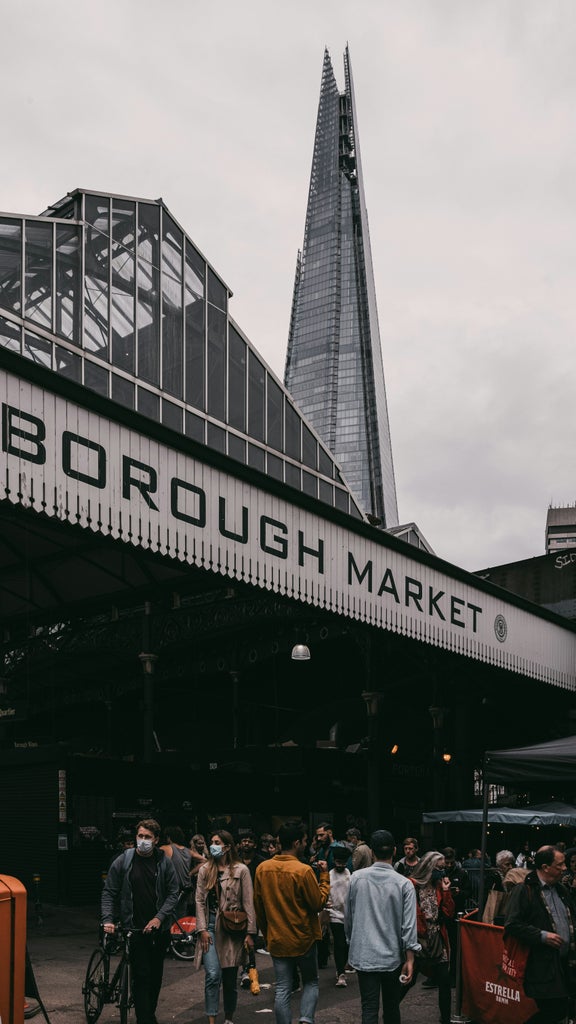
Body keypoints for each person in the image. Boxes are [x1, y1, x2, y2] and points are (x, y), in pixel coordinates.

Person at [101, 818, 179, 1024]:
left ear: (156, 840)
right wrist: (108, 919)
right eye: (140, 836)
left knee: (155, 978)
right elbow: (109, 892)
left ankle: (148, 1014)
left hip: (158, 930)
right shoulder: (123, 861)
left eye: (148, 837)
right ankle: (145, 1019)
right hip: (133, 929)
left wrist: (159, 918)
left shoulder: (164, 862)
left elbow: (173, 893)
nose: (143, 840)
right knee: (142, 976)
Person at [253, 818, 330, 1024]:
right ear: (296, 843)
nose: (306, 844)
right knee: (311, 982)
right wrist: (324, 877)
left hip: (277, 938)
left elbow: (258, 908)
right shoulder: (303, 871)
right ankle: (305, 1019)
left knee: (283, 988)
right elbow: (317, 904)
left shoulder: (262, 869)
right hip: (303, 938)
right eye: (304, 841)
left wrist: (267, 934)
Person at [345, 828, 420, 1024]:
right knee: (392, 1007)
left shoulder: (355, 878)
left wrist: (351, 943)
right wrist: (410, 958)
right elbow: (409, 925)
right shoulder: (404, 884)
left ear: (371, 852)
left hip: (364, 954)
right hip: (392, 956)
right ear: (395, 851)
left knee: (369, 1008)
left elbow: (349, 918)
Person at [504, 845, 576, 1024]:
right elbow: (512, 924)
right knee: (555, 1010)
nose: (565, 868)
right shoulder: (524, 890)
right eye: (560, 865)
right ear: (545, 867)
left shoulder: (561, 890)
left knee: (563, 1008)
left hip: (564, 964)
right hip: (541, 966)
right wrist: (543, 936)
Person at [195, 830, 256, 1024]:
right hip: (211, 926)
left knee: (230, 979)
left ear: (227, 847)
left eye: (217, 842)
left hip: (233, 929)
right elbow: (199, 901)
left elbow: (248, 902)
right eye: (211, 842)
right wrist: (202, 929)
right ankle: (212, 1019)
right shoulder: (205, 870)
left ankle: (228, 1018)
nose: (213, 845)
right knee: (213, 974)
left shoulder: (241, 870)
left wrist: (250, 933)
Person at [399, 850, 455, 1024]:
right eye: (439, 868)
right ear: (428, 867)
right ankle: (390, 1009)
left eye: (443, 868)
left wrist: (446, 891)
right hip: (418, 938)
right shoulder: (411, 884)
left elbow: (448, 913)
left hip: (437, 936)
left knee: (445, 981)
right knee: (410, 979)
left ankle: (445, 1019)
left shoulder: (439, 885)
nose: (442, 872)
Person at [327, 844, 352, 988]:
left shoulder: (350, 875)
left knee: (347, 943)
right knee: (339, 943)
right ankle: (341, 973)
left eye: (343, 862)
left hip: (348, 914)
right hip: (334, 914)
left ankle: (343, 967)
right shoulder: (330, 875)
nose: (340, 865)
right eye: (338, 862)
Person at [160, 825, 193, 918]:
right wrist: (191, 873)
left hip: (172, 888)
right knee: (181, 916)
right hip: (185, 888)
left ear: (168, 837)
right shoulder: (187, 850)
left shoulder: (166, 848)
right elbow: (203, 860)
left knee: (169, 915)